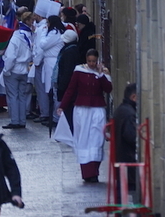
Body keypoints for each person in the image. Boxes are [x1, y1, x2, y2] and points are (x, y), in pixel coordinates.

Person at [57, 49, 112, 182]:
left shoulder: (103, 72)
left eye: (94, 61)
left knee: (97, 138)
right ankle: (87, 173)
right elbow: (71, 89)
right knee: (84, 139)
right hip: (82, 110)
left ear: (97, 60)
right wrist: (62, 106)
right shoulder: (79, 71)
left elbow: (108, 89)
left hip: (97, 109)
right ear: (86, 60)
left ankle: (94, 171)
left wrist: (101, 74)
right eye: (89, 61)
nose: (92, 64)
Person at [1, 11, 34, 129]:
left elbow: (11, 57)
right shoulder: (28, 38)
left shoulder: (15, 39)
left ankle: (15, 120)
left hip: (14, 70)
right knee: (22, 96)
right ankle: (22, 120)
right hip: (24, 69)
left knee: (13, 96)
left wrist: (6, 70)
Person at [112, 82, 139, 191]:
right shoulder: (129, 113)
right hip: (128, 163)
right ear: (134, 97)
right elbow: (132, 137)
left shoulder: (122, 109)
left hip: (123, 162)